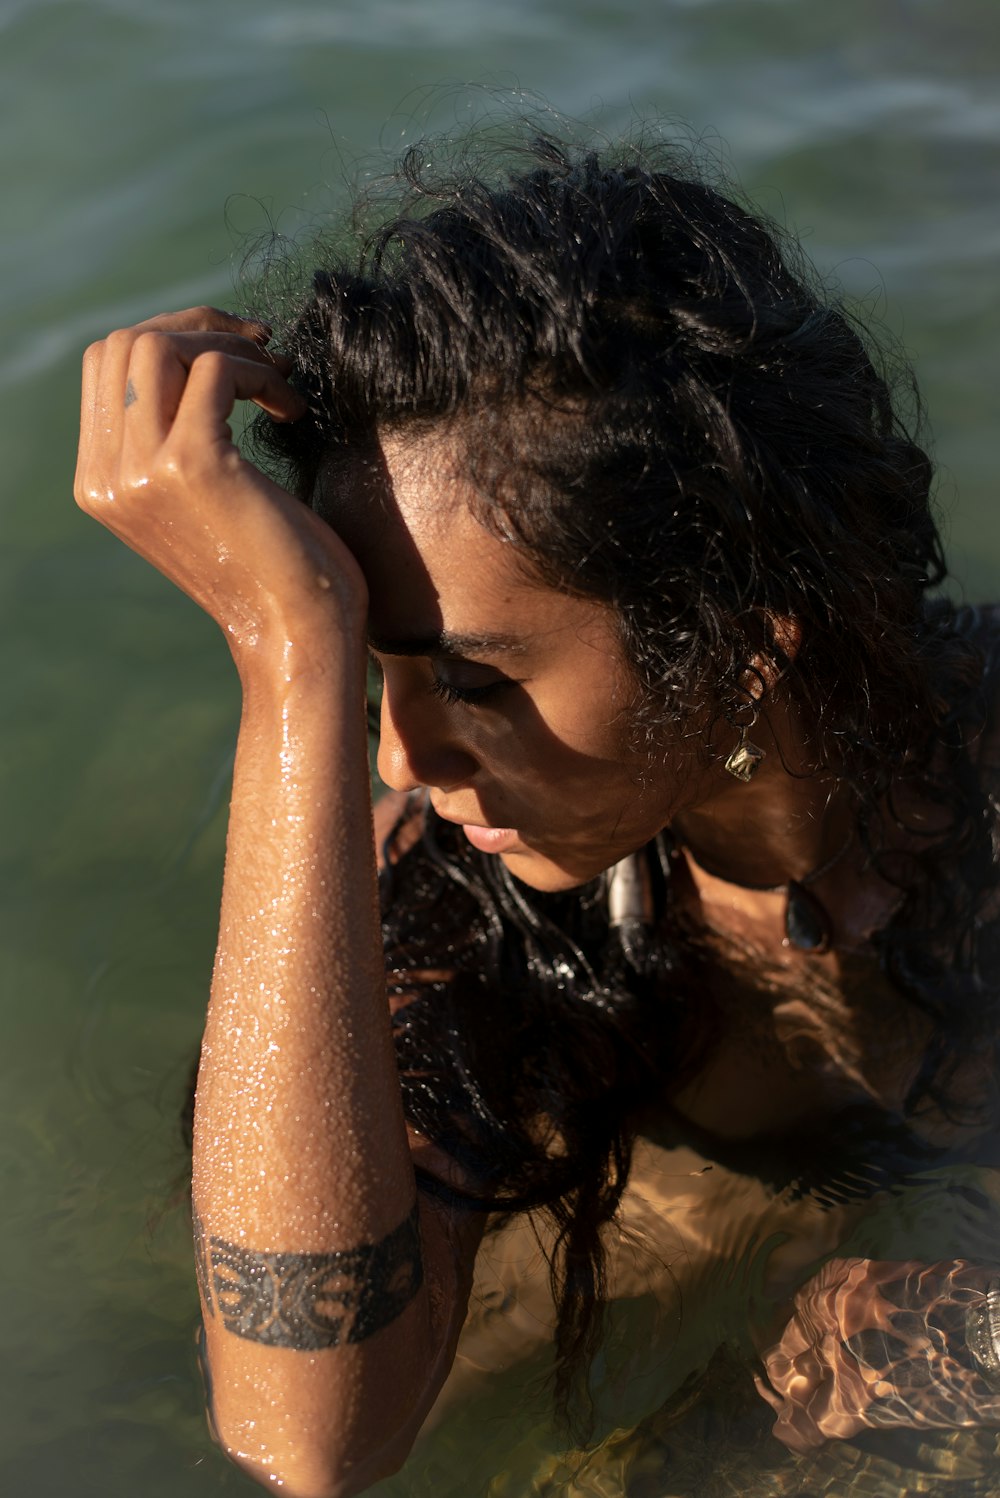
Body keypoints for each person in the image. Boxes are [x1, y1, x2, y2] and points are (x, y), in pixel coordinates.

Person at [74, 130, 1000, 1496]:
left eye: (471, 681)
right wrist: (288, 663)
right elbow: (309, 1435)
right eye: (373, 671)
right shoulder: (457, 888)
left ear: (742, 643)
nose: (402, 759)